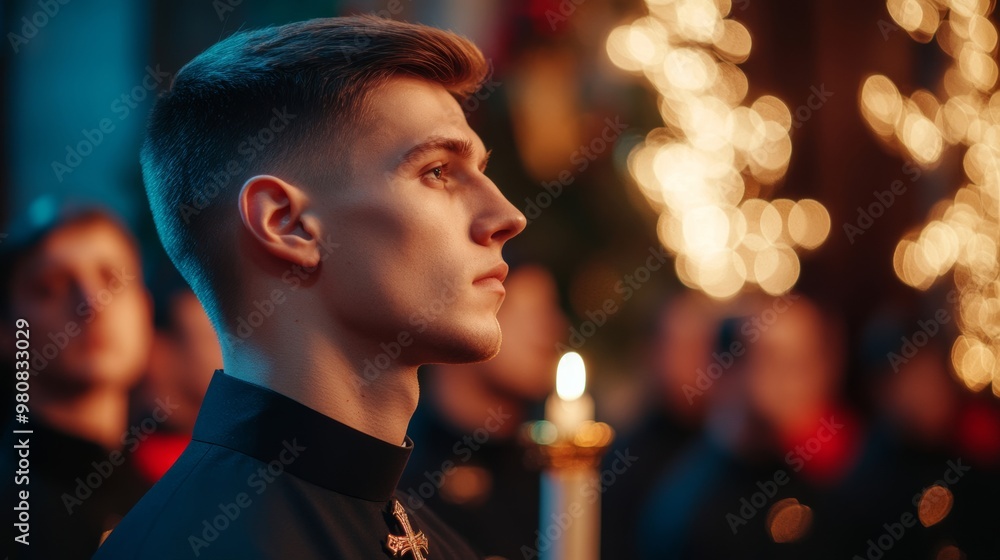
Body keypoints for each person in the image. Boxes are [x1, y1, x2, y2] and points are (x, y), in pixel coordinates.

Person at [94, 15, 526, 559]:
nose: (508, 216)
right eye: (437, 170)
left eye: (483, 170)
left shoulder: (431, 539)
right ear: (286, 224)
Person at [1, 207, 154, 560]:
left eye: (114, 280)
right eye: (49, 288)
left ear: (144, 309)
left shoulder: (173, 501)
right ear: (7, 330)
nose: (91, 303)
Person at [401, 263, 567, 558]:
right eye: (531, 310)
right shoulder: (400, 470)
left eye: (551, 309)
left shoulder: (559, 469)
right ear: (455, 316)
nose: (553, 329)